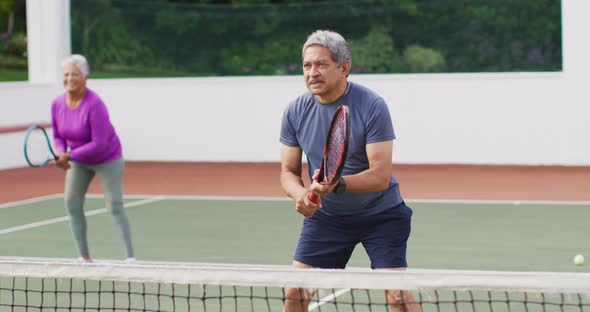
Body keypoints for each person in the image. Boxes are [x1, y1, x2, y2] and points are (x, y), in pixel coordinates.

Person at [279, 30, 421, 312]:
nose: (312, 73)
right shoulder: (295, 111)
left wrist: (336, 184)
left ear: (344, 67)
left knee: (398, 297)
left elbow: (380, 176)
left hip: (382, 216)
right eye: (307, 66)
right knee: (295, 292)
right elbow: (288, 171)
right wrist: (300, 194)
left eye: (321, 64)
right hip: (328, 219)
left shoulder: (372, 106)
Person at [51, 54, 135, 264]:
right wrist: (61, 152)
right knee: (71, 204)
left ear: (85, 77)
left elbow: (100, 143)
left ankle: (130, 258)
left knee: (114, 205)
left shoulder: (95, 104)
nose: (70, 78)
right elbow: (58, 136)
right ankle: (84, 256)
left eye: (75, 74)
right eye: (66, 74)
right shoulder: (57, 104)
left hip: (107, 158)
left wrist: (69, 155)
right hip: (79, 161)